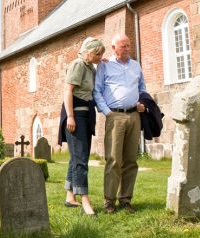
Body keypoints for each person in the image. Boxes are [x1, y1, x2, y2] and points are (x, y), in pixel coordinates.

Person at [93, 33, 147, 214]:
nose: (127, 48)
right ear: (114, 47)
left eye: (128, 45)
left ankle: (126, 199)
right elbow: (97, 91)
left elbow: (142, 89)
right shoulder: (105, 65)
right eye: (123, 46)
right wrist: (106, 111)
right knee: (114, 159)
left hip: (134, 116)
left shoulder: (135, 65)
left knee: (131, 160)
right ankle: (109, 201)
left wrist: (142, 103)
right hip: (115, 116)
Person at [57, 37, 105, 216]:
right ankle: (84, 199)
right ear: (89, 52)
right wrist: (70, 116)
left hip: (86, 114)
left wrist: (102, 62)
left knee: (78, 156)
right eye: (98, 54)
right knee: (81, 160)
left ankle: (70, 196)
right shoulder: (78, 64)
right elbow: (67, 90)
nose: (100, 57)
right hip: (75, 114)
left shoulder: (90, 67)